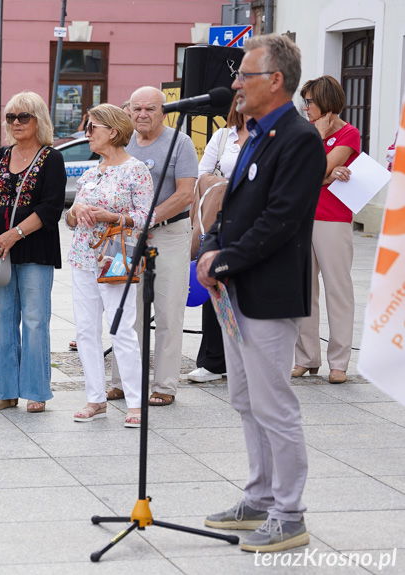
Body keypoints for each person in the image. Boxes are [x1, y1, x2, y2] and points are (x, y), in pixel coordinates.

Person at [197, 34, 326, 553]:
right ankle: (259, 497)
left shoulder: (299, 138)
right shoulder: (255, 132)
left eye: (244, 75)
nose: (235, 84)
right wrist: (211, 245)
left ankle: (289, 514)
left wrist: (224, 260)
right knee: (245, 399)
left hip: (268, 294)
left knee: (275, 406)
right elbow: (233, 207)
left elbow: (280, 220)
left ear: (275, 80)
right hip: (237, 291)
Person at [0, 91, 66, 413]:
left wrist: (14, 235)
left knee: (34, 320)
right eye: (11, 117)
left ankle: (36, 391)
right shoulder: (1, 155)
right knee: (0, 319)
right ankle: (3, 390)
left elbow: (51, 207)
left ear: (38, 120)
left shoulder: (51, 158)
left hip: (35, 248)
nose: (16, 122)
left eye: (23, 116)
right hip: (0, 251)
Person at [65, 104, 152, 426]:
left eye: (92, 128)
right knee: (86, 330)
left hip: (116, 258)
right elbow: (70, 219)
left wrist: (112, 217)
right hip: (83, 257)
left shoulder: (136, 170)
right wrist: (76, 213)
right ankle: (95, 399)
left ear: (113, 131)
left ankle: (136, 403)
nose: (87, 133)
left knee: (121, 329)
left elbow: (146, 217)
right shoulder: (91, 172)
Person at [114, 86, 197, 406]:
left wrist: (147, 219)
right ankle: (123, 382)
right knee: (127, 311)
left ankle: (164, 385)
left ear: (164, 112)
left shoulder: (180, 143)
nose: (142, 115)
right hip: (128, 236)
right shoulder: (124, 142)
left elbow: (185, 194)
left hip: (169, 233)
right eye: (136, 109)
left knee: (168, 312)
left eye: (150, 109)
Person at [292, 75, 360, 384]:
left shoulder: (349, 134)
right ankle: (306, 357)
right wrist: (325, 176)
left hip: (333, 219)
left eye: (309, 101)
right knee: (303, 290)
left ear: (325, 102)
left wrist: (321, 173)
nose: (305, 107)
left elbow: (313, 169)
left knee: (337, 290)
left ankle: (339, 362)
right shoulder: (306, 131)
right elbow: (298, 174)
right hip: (302, 217)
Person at [185, 96, 249, 384]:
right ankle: (213, 360)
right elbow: (201, 174)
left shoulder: (271, 137)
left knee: (248, 292)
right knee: (217, 285)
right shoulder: (224, 137)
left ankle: (245, 359)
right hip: (220, 221)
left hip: (254, 223)